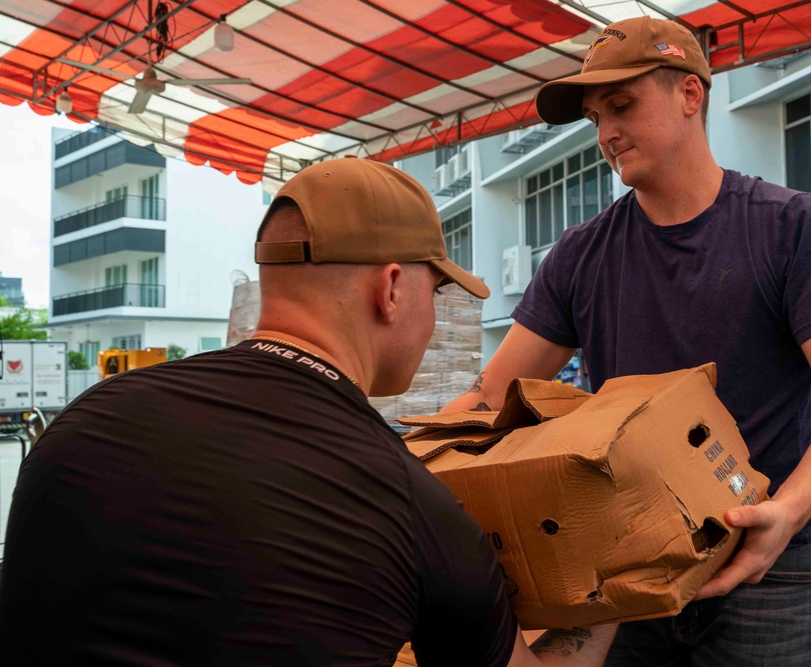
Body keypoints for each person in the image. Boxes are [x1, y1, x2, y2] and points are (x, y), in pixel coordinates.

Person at [0, 157, 617, 666]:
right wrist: (617, 579)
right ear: (393, 289)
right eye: (437, 292)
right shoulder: (409, 502)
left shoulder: (85, 419)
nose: (432, 318)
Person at [443, 15, 811, 667]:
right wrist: (402, 471)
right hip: (631, 577)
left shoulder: (791, 228)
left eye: (621, 105)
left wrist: (787, 512)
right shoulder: (579, 256)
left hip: (768, 573)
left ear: (690, 94)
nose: (605, 134)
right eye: (595, 116)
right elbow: (492, 395)